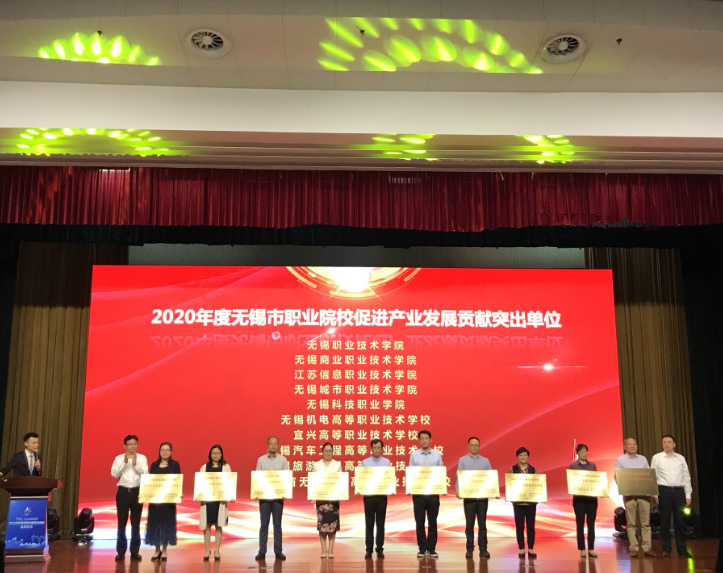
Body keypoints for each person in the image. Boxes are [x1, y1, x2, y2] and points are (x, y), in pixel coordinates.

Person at [651, 435, 693, 558]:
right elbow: (653, 476)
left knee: (679, 521)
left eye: (669, 442)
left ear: (674, 444)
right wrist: (655, 493)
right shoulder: (657, 457)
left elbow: (686, 476)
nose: (666, 444)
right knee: (665, 521)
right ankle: (666, 548)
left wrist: (688, 494)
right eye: (664, 442)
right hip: (664, 491)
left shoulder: (680, 458)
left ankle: (682, 549)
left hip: (679, 491)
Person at [615, 437, 656, 558]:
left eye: (634, 444)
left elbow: (649, 475)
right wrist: (624, 489)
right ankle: (634, 548)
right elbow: (617, 477)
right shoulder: (620, 460)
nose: (632, 446)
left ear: (637, 446)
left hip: (644, 495)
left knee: (645, 523)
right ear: (625, 447)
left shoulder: (643, 459)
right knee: (631, 524)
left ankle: (647, 548)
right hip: (630, 496)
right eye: (630, 444)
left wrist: (651, 490)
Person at [110, 434, 148, 562]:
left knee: (136, 523)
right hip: (123, 492)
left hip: (137, 492)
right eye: (130, 444)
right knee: (121, 523)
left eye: (134, 444)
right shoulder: (119, 458)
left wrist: (136, 465)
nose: (132, 446)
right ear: (125, 446)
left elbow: (146, 474)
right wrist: (124, 463)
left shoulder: (142, 458)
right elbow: (114, 473)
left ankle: (135, 551)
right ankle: (120, 551)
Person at [455, 437, 492, 559]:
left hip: (482, 499)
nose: (474, 447)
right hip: (469, 498)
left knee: (482, 525)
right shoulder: (463, 460)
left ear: (479, 446)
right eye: (472, 445)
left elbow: (490, 478)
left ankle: (483, 549)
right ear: (468, 446)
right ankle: (469, 549)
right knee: (469, 525)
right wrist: (458, 490)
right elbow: (459, 476)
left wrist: (494, 490)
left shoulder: (486, 461)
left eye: (476, 445)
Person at [409, 429, 443, 559]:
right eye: (422, 438)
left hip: (433, 493)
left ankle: (432, 548)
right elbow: (411, 473)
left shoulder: (437, 455)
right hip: (418, 494)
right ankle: (422, 549)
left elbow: (440, 473)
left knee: (433, 522)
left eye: (426, 438)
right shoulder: (414, 455)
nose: (424, 440)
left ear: (430, 440)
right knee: (420, 522)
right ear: (419, 440)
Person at [145, 442, 180, 562]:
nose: (165, 452)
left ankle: (164, 550)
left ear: (171, 452)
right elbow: (150, 482)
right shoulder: (154, 465)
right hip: (155, 500)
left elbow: (177, 481)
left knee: (166, 524)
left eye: (167, 450)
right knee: (155, 524)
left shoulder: (175, 464)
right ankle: (156, 550)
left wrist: (178, 493)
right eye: (162, 450)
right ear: (159, 452)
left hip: (168, 501)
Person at [255, 436, 288, 561]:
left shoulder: (283, 460)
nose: (273, 445)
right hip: (264, 498)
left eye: (276, 444)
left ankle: (278, 551)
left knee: (277, 524)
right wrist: (257, 492)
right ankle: (262, 551)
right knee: (264, 524)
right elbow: (258, 478)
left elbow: (285, 478)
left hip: (278, 498)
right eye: (271, 444)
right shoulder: (261, 460)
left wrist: (284, 492)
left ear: (278, 445)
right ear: (267, 445)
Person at [200, 445, 233, 561]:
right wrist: (198, 495)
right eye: (213, 453)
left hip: (220, 501)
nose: (215, 455)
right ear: (210, 455)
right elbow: (200, 484)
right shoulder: (204, 467)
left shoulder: (226, 467)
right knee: (207, 526)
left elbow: (230, 483)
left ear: (221, 454)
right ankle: (207, 550)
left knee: (219, 525)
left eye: (218, 453)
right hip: (207, 501)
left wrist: (231, 495)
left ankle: (217, 550)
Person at [361, 438, 391, 559]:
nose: (376, 450)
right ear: (371, 449)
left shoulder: (387, 462)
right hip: (369, 496)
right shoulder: (365, 462)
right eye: (374, 448)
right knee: (369, 524)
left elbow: (388, 479)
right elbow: (362, 479)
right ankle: (369, 549)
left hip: (381, 496)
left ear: (382, 449)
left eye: (379, 448)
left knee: (380, 523)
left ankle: (379, 549)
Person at [313, 442, 342, 559]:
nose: (328, 453)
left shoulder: (337, 465)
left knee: (332, 526)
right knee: (322, 526)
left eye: (330, 451)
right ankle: (323, 549)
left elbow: (340, 481)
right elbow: (314, 482)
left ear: (333, 452)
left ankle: (331, 549)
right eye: (326, 451)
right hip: (321, 500)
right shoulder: (317, 465)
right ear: (322, 451)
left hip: (333, 500)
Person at [569, 444, 598, 558]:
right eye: (582, 452)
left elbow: (596, 481)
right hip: (579, 500)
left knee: (591, 524)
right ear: (577, 453)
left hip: (591, 499)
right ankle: (582, 549)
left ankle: (591, 548)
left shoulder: (592, 465)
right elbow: (572, 481)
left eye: (585, 451)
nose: (584, 454)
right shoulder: (573, 466)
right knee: (580, 524)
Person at [510, 447, 537, 559]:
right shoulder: (512, 469)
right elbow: (509, 484)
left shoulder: (533, 470)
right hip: (518, 504)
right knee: (519, 526)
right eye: (520, 455)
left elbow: (537, 485)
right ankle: (521, 548)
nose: (523, 457)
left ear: (528, 456)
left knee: (531, 526)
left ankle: (530, 548)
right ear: (517, 457)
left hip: (530, 504)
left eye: (525, 455)